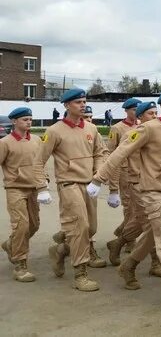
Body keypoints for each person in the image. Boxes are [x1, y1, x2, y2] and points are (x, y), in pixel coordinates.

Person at [93, 89, 161, 312]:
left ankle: (129, 264)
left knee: (155, 232)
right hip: (150, 190)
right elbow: (119, 153)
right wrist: (98, 179)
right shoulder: (148, 128)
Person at [34, 88, 109, 292]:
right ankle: (80, 273)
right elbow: (38, 161)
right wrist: (42, 186)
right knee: (80, 227)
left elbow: (100, 153)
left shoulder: (91, 129)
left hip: (89, 185)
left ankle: (60, 250)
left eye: (84, 101)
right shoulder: (54, 131)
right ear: (67, 105)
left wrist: (97, 175)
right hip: (69, 184)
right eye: (77, 102)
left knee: (90, 228)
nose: (82, 105)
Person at [104, 101, 161, 276]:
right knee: (151, 222)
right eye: (151, 114)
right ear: (140, 116)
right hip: (136, 183)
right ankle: (155, 262)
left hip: (155, 183)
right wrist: (113, 188)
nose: (155, 117)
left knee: (140, 220)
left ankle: (119, 242)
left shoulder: (157, 133)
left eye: (156, 113)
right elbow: (115, 159)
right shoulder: (128, 134)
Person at [1, 107, 49, 282]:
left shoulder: (36, 140)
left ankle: (11, 244)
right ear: (14, 122)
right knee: (21, 226)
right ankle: (20, 265)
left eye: (30, 119)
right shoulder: (5, 142)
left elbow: (40, 164)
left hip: (34, 189)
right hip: (15, 189)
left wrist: (45, 180)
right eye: (24, 119)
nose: (29, 122)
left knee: (33, 225)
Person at [106, 98, 141, 255]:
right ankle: (129, 240)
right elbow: (112, 154)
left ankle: (122, 231)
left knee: (139, 208)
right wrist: (113, 186)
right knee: (129, 207)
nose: (136, 112)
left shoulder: (144, 126)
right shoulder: (117, 128)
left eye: (138, 109)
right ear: (126, 110)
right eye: (133, 109)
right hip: (125, 171)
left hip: (142, 171)